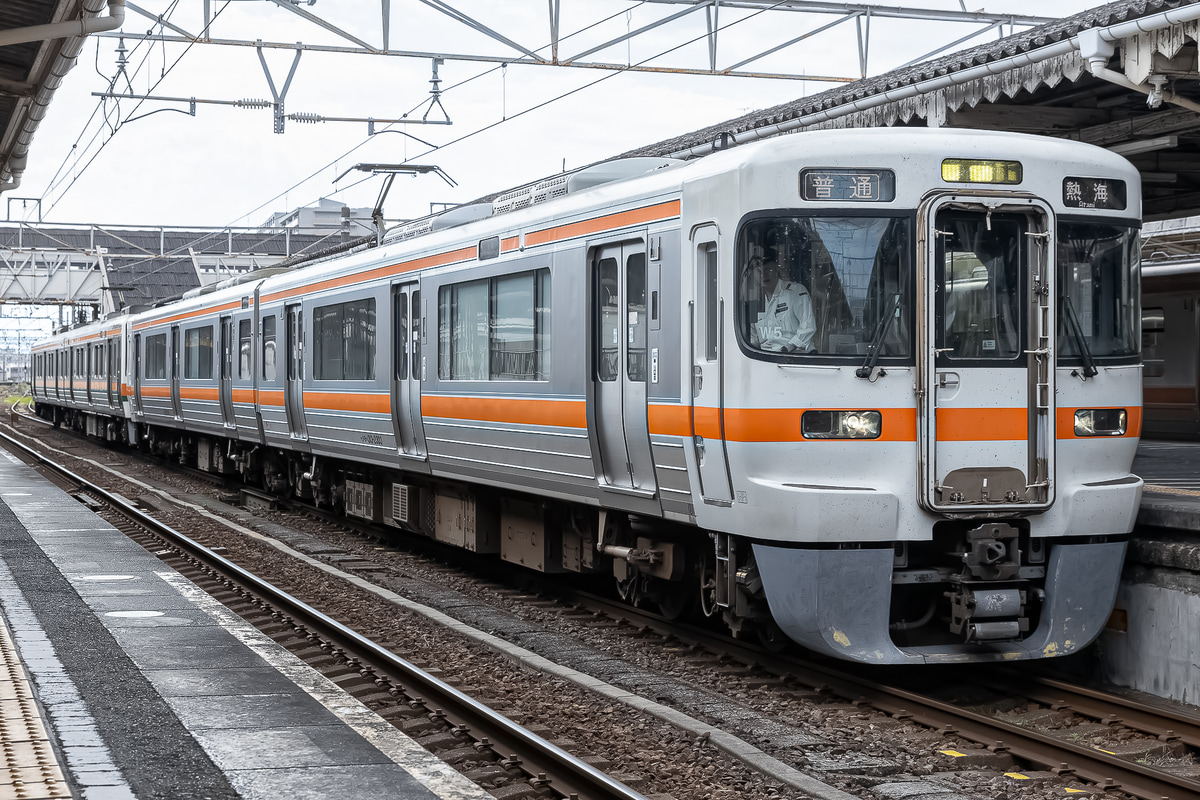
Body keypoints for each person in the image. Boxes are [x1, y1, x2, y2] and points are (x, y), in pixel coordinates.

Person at [752, 253, 816, 353]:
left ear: (776, 269)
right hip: (765, 358)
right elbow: (754, 338)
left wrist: (786, 349)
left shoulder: (795, 292)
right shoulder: (754, 300)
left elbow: (807, 327)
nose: (763, 275)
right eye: (759, 271)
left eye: (768, 269)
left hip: (793, 356)